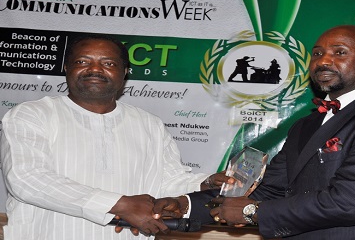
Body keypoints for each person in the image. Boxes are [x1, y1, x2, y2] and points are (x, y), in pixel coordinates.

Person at [153, 25, 355, 239]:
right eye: (317, 54)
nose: (323, 61)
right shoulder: (307, 125)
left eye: (340, 53)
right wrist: (186, 205)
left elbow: (353, 203)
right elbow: (271, 189)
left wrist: (253, 212)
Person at [0, 34, 231, 240]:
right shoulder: (32, 114)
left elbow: (166, 181)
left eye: (108, 63)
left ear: (125, 72)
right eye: (82, 61)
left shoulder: (149, 124)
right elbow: (27, 178)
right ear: (66, 67)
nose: (95, 69)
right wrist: (119, 205)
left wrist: (206, 183)